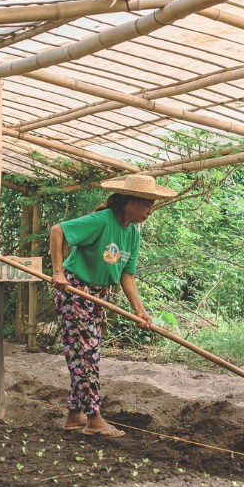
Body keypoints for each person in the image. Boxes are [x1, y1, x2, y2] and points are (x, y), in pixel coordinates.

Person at [50, 174, 175, 438]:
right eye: (147, 205)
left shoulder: (132, 234)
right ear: (129, 202)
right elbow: (57, 230)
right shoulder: (101, 220)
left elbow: (126, 276)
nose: (150, 211)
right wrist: (58, 272)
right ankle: (94, 418)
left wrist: (140, 310)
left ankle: (74, 415)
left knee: (86, 353)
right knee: (86, 357)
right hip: (75, 291)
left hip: (98, 295)